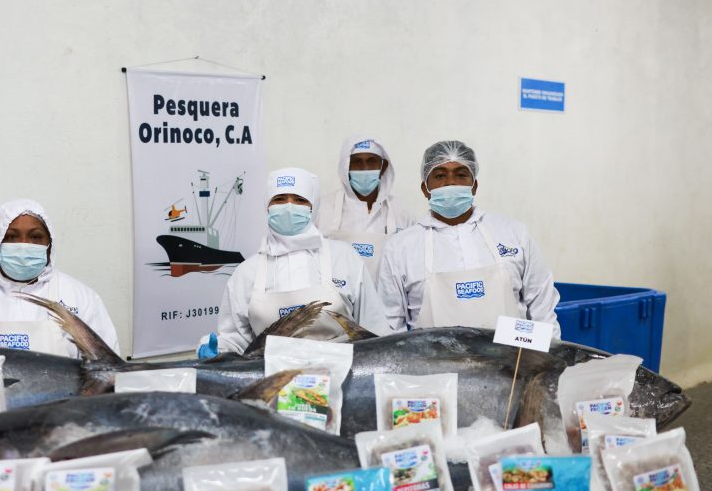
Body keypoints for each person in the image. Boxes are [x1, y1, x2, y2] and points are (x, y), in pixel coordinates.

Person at [376, 140, 560, 336]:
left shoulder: (514, 234)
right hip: (434, 357)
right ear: (425, 188)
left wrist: (550, 351)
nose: (450, 182)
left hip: (511, 356)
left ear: (474, 186)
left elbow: (543, 309)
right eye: (439, 175)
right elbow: (390, 327)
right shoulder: (400, 248)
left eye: (461, 175)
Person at [201, 167, 387, 357]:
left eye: (299, 200)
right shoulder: (246, 272)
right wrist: (218, 351)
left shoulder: (344, 257)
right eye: (279, 199)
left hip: (344, 372)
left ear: (313, 206)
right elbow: (237, 340)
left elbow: (374, 328)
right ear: (267, 206)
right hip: (269, 374)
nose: (288, 207)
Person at [0, 198, 120, 356]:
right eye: (11, 237)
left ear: (50, 244)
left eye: (35, 237)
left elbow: (106, 370)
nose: (23, 245)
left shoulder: (81, 297)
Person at [316, 136, 416, 279]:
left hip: (388, 293)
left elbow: (412, 265)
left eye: (371, 161)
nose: (364, 169)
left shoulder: (401, 212)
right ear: (345, 167)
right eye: (357, 162)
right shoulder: (323, 209)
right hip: (337, 293)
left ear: (383, 167)